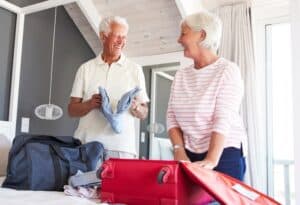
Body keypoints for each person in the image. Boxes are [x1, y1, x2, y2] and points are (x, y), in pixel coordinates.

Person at [166, 11, 247, 181]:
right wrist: (179, 150)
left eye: (184, 33)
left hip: (223, 155)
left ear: (201, 35)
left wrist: (211, 160)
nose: (179, 40)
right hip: (189, 155)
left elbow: (222, 119)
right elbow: (171, 117)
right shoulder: (181, 76)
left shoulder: (227, 71)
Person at [68, 16, 149, 159]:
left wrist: (136, 107)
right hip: (87, 145)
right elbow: (72, 110)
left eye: (124, 37)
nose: (121, 42)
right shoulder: (85, 69)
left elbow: (144, 113)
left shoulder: (134, 69)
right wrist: (90, 104)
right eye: (117, 36)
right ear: (103, 36)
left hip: (122, 148)